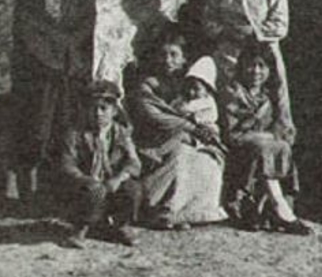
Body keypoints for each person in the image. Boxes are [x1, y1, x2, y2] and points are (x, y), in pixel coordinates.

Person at [10, 0, 97, 208]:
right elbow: (26, 31)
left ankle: (65, 190)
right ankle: (28, 193)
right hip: (40, 73)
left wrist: (68, 54)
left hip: (71, 73)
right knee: (37, 130)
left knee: (68, 128)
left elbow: (85, 29)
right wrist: (51, 57)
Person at [128, 31, 227, 230]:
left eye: (174, 55)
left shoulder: (190, 84)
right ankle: (159, 209)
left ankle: (186, 213)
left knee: (208, 158)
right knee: (180, 154)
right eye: (163, 55)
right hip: (155, 140)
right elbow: (155, 117)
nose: (168, 60)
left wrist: (206, 130)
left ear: (183, 60)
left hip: (187, 138)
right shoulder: (147, 86)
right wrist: (190, 127)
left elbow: (204, 110)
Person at [203, 0, 294, 136]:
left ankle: (278, 136)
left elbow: (280, 25)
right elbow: (209, 19)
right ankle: (232, 137)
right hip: (230, 51)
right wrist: (226, 32)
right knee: (231, 94)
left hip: (264, 52)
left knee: (275, 93)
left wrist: (254, 33)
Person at [221, 42, 312, 235]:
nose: (256, 71)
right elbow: (232, 133)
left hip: (265, 148)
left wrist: (275, 136)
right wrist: (265, 137)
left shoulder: (269, 96)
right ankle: (280, 209)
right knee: (267, 147)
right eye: (251, 65)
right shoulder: (233, 92)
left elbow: (282, 127)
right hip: (238, 148)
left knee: (281, 146)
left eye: (262, 66)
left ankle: (263, 207)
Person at [57, 80, 142, 249]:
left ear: (115, 111)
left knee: (133, 189)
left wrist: (119, 178)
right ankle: (81, 228)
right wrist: (86, 180)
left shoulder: (121, 133)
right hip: (86, 186)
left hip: (111, 184)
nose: (98, 113)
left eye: (104, 108)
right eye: (93, 108)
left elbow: (134, 162)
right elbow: (67, 164)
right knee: (92, 192)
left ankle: (121, 225)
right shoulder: (75, 133)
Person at [175, 56, 221, 137]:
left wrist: (192, 116)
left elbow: (211, 116)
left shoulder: (207, 102)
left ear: (207, 90)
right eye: (188, 87)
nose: (191, 92)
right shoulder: (184, 98)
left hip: (202, 130)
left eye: (197, 89)